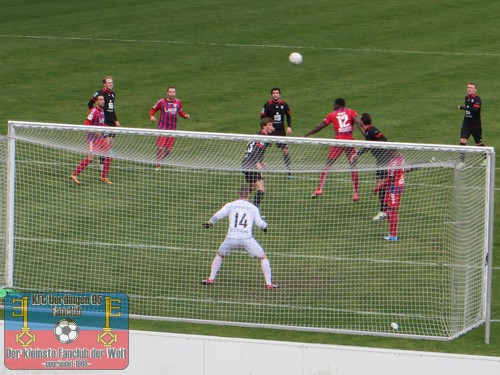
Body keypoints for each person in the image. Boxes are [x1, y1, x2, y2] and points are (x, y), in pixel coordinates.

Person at [201, 184, 277, 289]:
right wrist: (265, 227)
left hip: (231, 238)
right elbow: (260, 223)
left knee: (220, 255)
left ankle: (211, 279)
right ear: (250, 194)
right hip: (246, 238)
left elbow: (218, 215)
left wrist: (210, 222)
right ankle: (269, 284)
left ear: (238, 193)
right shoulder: (253, 207)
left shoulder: (231, 205)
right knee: (263, 257)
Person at [303, 98, 362, 200]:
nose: (333, 106)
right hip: (349, 141)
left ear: (338, 105)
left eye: (334, 104)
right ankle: (356, 193)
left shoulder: (332, 114)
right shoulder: (351, 112)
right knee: (353, 166)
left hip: (338, 141)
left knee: (328, 165)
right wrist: (365, 132)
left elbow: (319, 127)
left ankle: (320, 189)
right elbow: (358, 121)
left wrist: (306, 134)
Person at [357, 113, 392, 221]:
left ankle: (384, 211)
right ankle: (386, 209)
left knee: (381, 185)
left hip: (383, 160)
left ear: (362, 122)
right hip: (381, 160)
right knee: (381, 185)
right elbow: (369, 145)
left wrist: (359, 153)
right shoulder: (368, 132)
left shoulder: (371, 130)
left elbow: (384, 140)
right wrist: (359, 153)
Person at [71, 95, 113, 185]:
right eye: (100, 100)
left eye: (103, 99)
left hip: (99, 138)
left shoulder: (102, 111)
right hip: (92, 138)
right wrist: (95, 132)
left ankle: (103, 176)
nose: (103, 101)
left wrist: (109, 128)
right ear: (96, 102)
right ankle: (74, 175)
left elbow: (100, 124)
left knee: (109, 155)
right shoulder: (93, 111)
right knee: (90, 158)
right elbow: (86, 124)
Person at [150, 87, 190, 170]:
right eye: (170, 92)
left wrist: (185, 116)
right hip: (163, 127)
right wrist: (151, 116)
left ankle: (161, 160)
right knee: (161, 146)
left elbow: (180, 112)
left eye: (173, 92)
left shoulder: (178, 102)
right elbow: (153, 109)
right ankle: (158, 164)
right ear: (167, 93)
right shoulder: (161, 102)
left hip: (172, 128)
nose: (172, 93)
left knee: (168, 150)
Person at [241, 118, 275, 209]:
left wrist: (261, 161)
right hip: (251, 163)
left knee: (251, 187)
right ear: (264, 126)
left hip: (246, 163)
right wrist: (257, 162)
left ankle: (241, 205)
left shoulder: (259, 135)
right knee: (261, 188)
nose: (272, 127)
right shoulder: (262, 136)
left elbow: (257, 150)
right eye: (270, 125)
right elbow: (255, 150)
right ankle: (255, 210)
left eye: (272, 125)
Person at [88, 76, 120, 167]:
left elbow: (112, 108)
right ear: (104, 84)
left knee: (110, 144)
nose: (111, 84)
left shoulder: (113, 93)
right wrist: (96, 115)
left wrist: (116, 120)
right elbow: (90, 104)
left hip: (112, 121)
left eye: (112, 82)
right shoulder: (99, 93)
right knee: (105, 144)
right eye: (109, 83)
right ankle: (102, 163)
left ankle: (101, 160)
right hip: (104, 121)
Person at [373, 150, 405, 241]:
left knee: (392, 210)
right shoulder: (399, 158)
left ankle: (393, 235)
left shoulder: (395, 163)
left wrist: (378, 188)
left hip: (394, 188)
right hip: (393, 186)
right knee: (387, 209)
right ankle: (391, 232)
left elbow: (390, 179)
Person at [261, 87, 293, 177]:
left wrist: (289, 127)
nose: (275, 94)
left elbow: (288, 116)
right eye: (274, 93)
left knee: (285, 150)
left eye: (277, 93)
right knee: (261, 149)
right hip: (269, 131)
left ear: (280, 94)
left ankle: (289, 172)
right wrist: (265, 129)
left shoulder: (284, 105)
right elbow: (262, 118)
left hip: (280, 131)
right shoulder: (267, 105)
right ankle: (259, 170)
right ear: (271, 95)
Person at [457, 82, 483, 162]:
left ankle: (486, 158)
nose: (469, 89)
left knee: (478, 143)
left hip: (475, 125)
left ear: (475, 90)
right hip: (466, 123)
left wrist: (463, 108)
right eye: (468, 87)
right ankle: (462, 162)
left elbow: (475, 110)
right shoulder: (466, 98)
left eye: (471, 88)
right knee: (462, 140)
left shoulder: (477, 99)